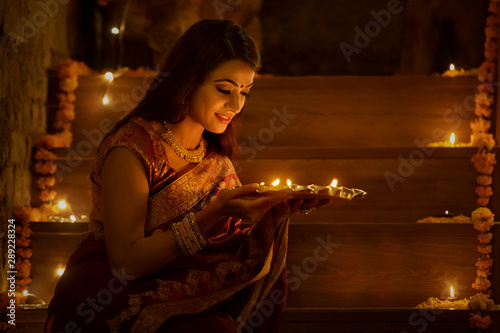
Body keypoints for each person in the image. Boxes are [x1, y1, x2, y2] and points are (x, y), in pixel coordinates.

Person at [45, 19, 330, 333]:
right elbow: (126, 263)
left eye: (245, 93)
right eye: (224, 90)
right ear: (188, 80)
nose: (235, 105)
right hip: (108, 292)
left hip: (180, 287)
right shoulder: (131, 149)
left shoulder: (214, 159)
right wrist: (216, 212)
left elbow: (220, 248)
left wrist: (273, 215)